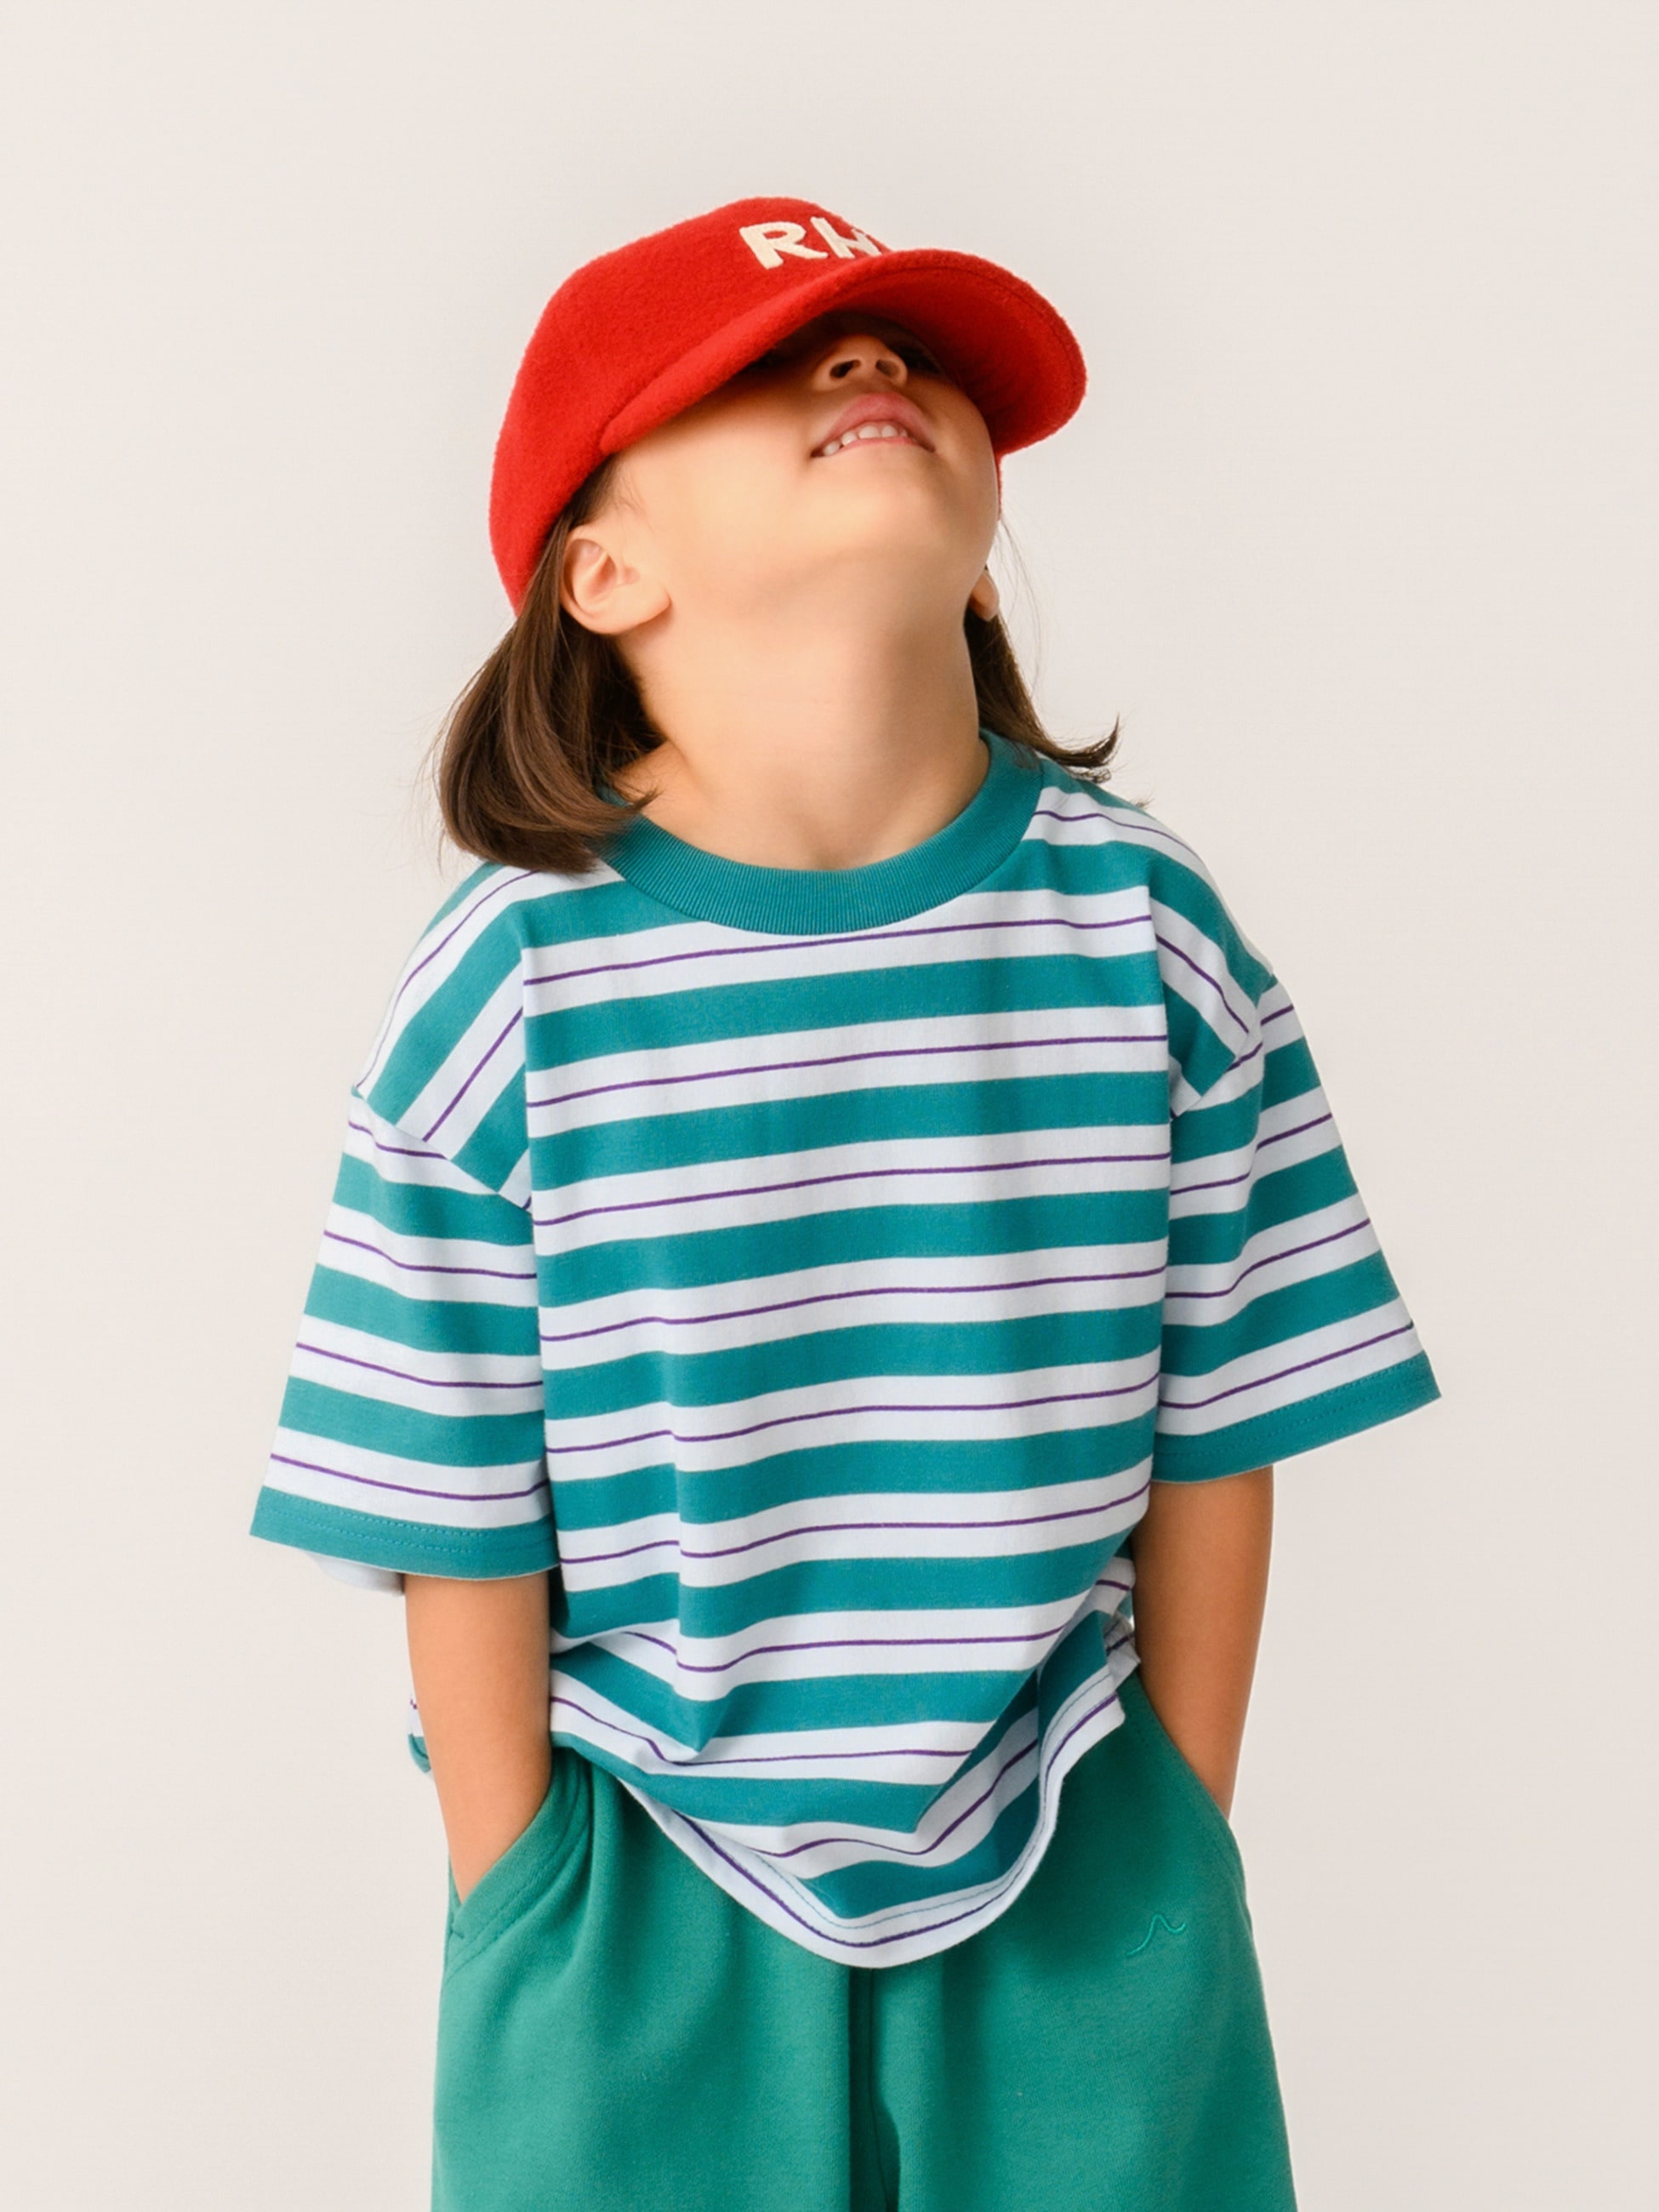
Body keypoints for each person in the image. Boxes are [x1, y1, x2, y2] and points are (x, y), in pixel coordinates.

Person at [250, 197, 1438, 2212]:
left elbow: (1223, 1421)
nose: (872, 367)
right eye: (766, 367)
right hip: (637, 1871)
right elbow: (448, 1494)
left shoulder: (1148, 932)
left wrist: (1179, 1817)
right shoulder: (511, 987)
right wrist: (518, 1885)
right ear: (605, 570)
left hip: (1080, 1841)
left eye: (904, 353)